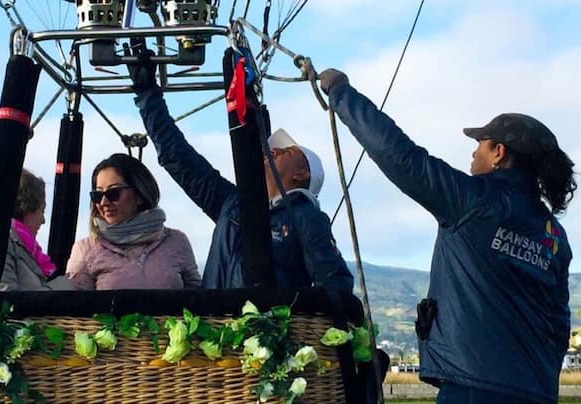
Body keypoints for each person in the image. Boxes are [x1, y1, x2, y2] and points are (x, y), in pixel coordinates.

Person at [319, 68, 576, 403]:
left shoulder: (472, 200)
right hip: (536, 390)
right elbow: (559, 324)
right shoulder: (554, 235)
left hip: (473, 385)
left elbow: (401, 157)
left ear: (499, 152)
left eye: (480, 144)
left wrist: (342, 95)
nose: (474, 153)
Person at [125, 40, 354, 292]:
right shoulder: (232, 204)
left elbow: (335, 285)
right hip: (214, 328)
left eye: (285, 151)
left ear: (302, 173)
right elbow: (178, 158)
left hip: (270, 329)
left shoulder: (306, 218)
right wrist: (147, 95)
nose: (272, 150)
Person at [65, 153, 201, 290]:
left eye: (114, 193)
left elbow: (198, 299)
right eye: (98, 195)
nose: (103, 202)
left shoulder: (177, 241)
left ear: (139, 195)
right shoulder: (86, 249)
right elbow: (74, 306)